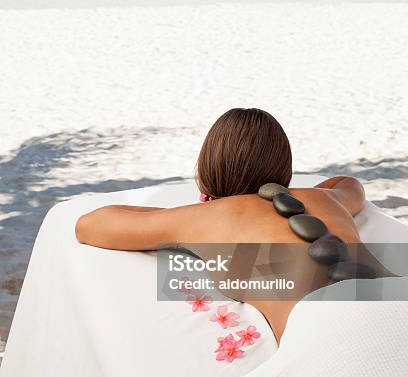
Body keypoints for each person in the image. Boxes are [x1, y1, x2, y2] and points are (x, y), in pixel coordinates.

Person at [75, 107, 377, 342]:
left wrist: (185, 214)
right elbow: (349, 183)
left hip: (330, 341)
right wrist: (292, 199)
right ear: (284, 173)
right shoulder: (328, 199)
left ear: (205, 175)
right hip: (394, 300)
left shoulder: (204, 219)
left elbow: (89, 225)